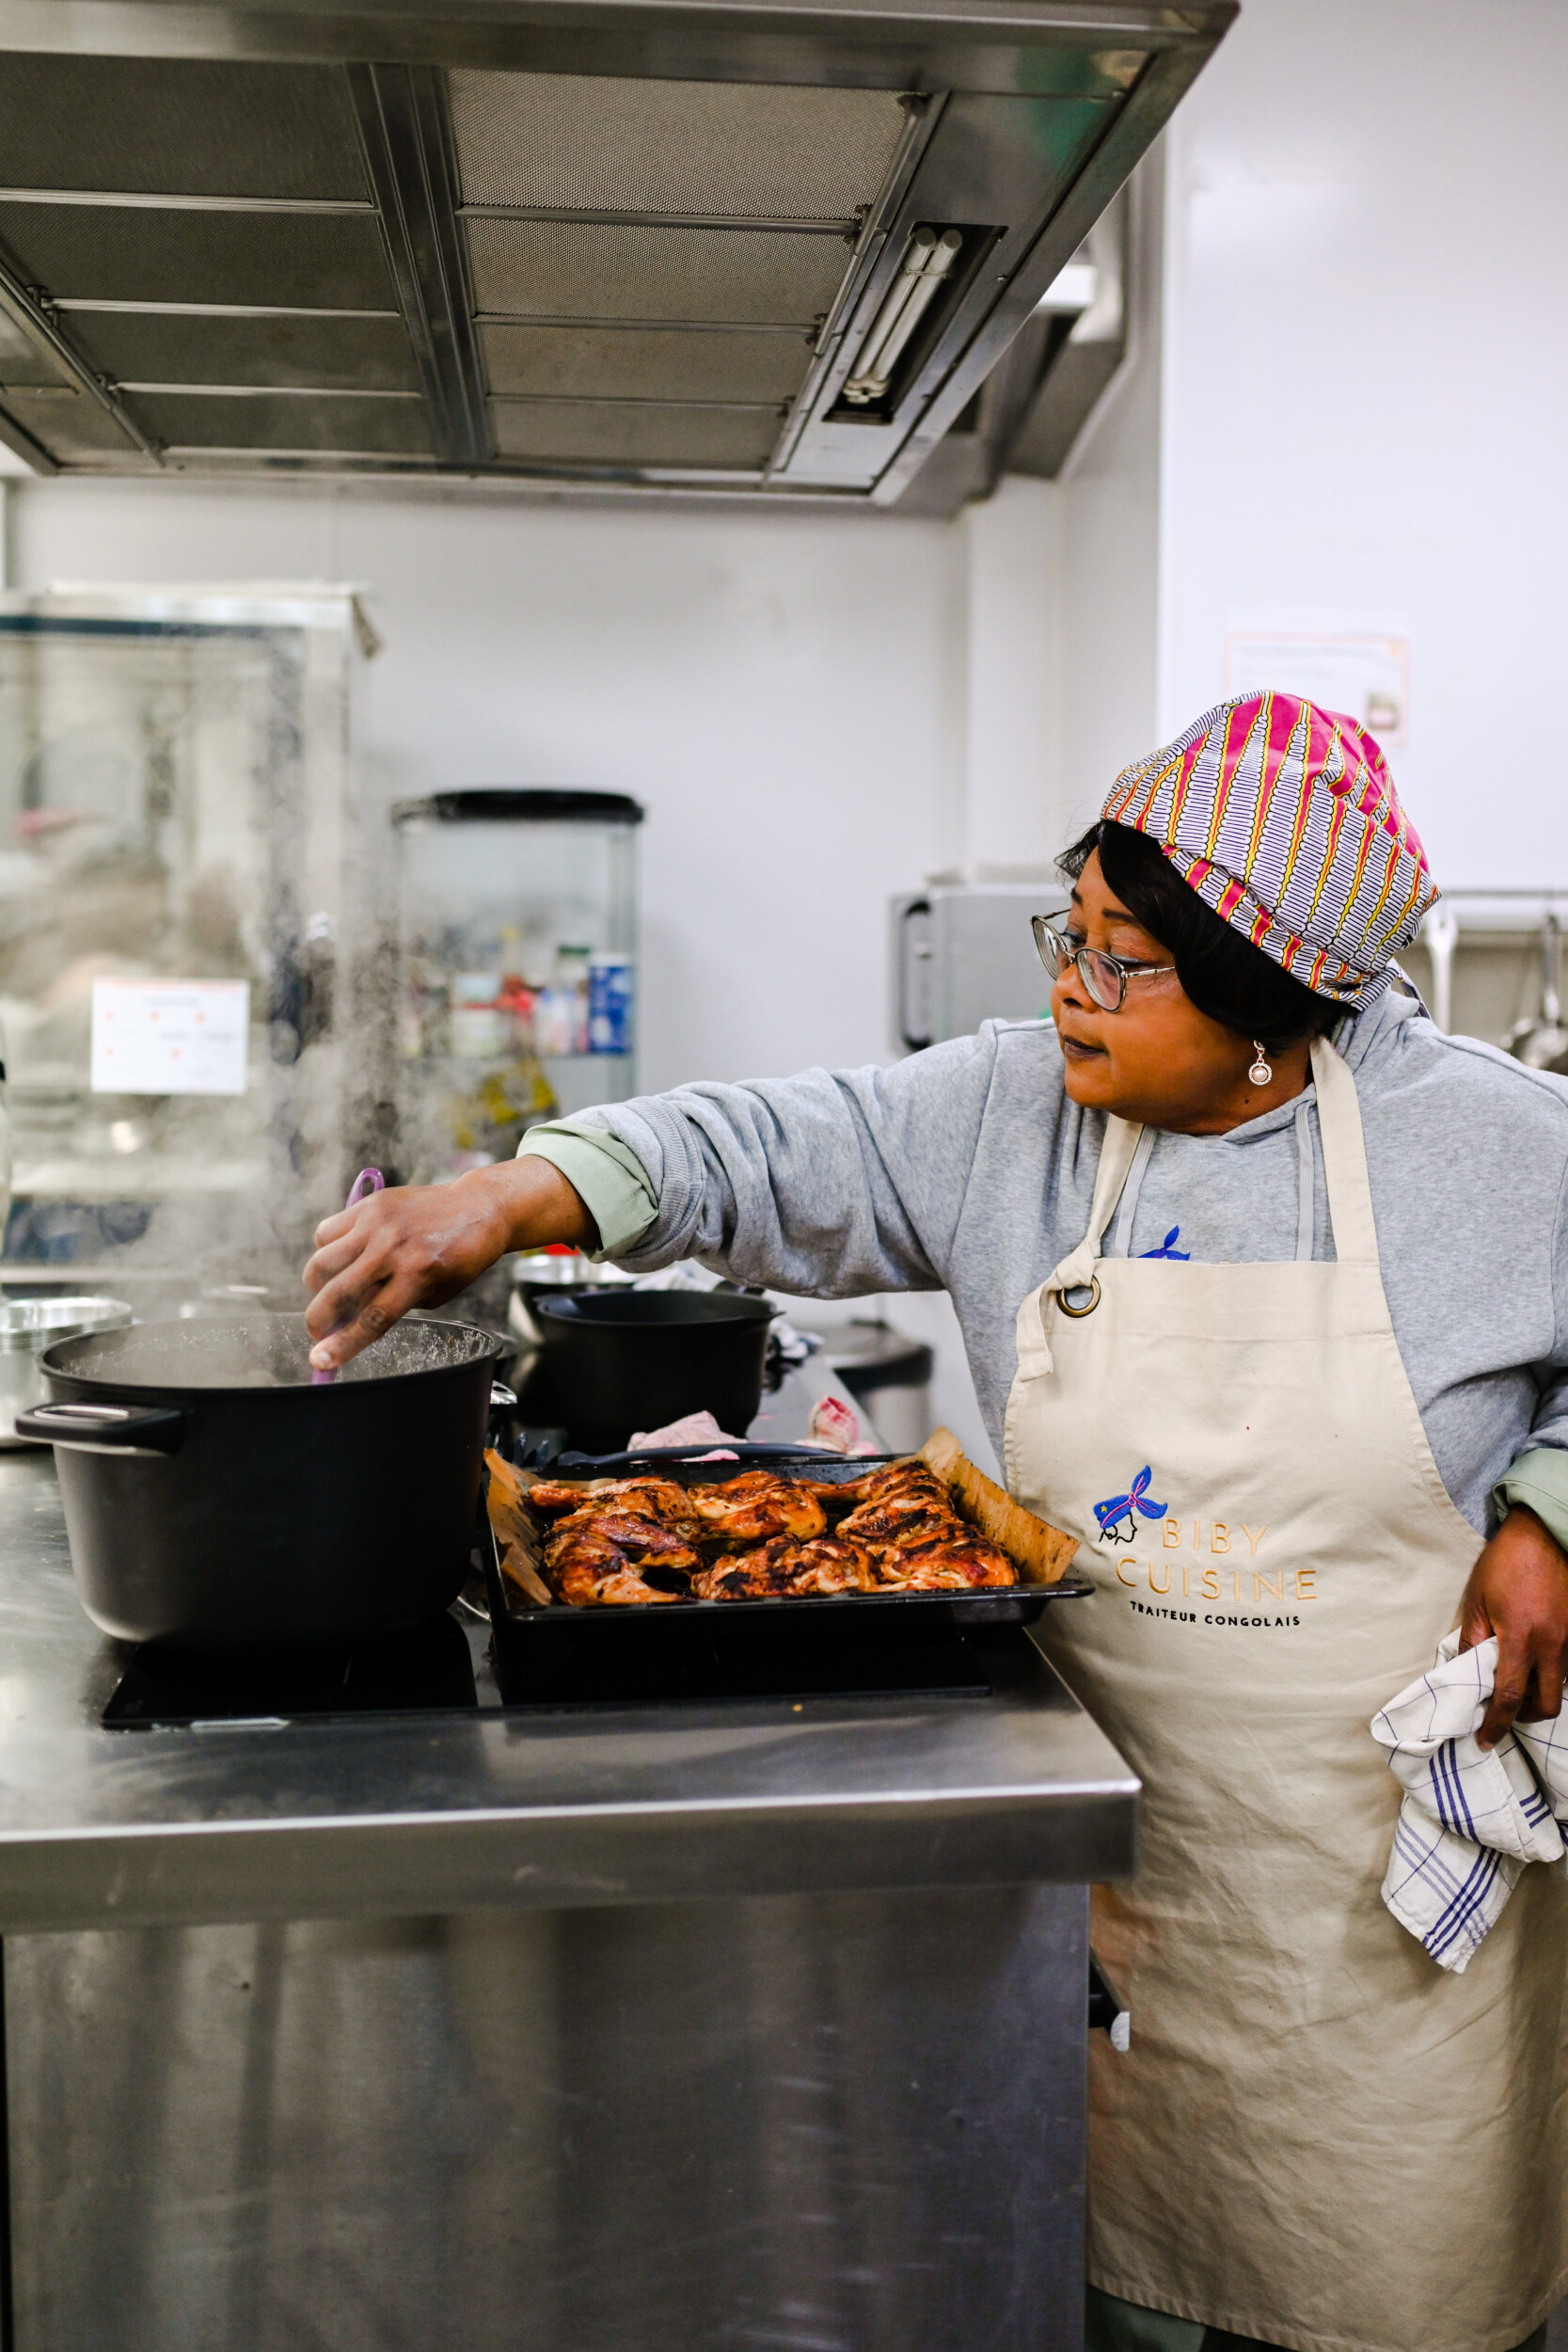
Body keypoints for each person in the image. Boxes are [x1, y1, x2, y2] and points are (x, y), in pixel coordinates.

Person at [305, 692, 1568, 2352]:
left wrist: (1548, 1512)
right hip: (1095, 1872)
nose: (1069, 982)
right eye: (1075, 929)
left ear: (1276, 1002)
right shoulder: (1013, 1107)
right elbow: (758, 1145)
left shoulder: (1492, 1143)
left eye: (1126, 958)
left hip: (1377, 1920)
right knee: (1078, 2280)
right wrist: (515, 1188)